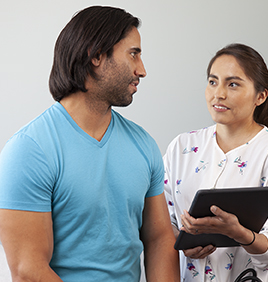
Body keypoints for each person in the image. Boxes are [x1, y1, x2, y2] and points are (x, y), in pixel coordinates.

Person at [0, 6, 179, 282]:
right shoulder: (29, 150)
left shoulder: (144, 145)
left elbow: (159, 240)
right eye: (133, 54)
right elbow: (28, 269)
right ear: (96, 55)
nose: (141, 70)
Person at [164, 43, 268, 282]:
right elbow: (160, 219)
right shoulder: (182, 147)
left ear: (261, 96)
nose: (219, 94)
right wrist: (181, 239)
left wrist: (240, 234)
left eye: (233, 84)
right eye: (213, 81)